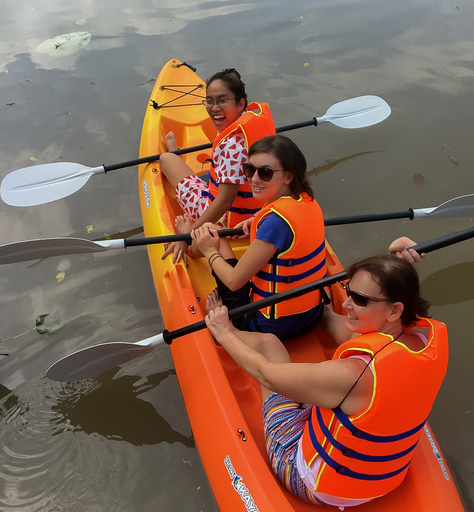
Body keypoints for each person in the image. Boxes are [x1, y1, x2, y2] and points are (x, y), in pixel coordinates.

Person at [204, 254, 448, 506]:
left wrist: (224, 332)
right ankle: (322, 314)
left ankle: (228, 331)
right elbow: (360, 336)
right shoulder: (423, 340)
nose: (348, 304)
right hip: (384, 481)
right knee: (335, 329)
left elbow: (266, 374)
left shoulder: (352, 374)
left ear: (395, 310)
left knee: (270, 344)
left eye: (360, 300)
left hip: (312, 481)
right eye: (348, 291)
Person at [191, 134, 326, 339]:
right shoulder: (307, 200)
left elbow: (234, 282)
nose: (253, 179)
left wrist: (208, 251)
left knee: (212, 232)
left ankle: (225, 319)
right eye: (249, 169)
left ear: (289, 176)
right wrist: (256, 217)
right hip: (311, 314)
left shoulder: (275, 223)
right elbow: (285, 221)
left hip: (270, 327)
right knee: (217, 234)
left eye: (265, 173)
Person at [159, 68, 275, 263]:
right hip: (256, 216)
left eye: (222, 100)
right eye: (210, 101)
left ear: (240, 103)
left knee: (166, 159)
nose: (214, 108)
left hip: (229, 222)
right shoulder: (255, 123)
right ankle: (179, 157)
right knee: (207, 176)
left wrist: (187, 237)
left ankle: (175, 154)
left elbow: (223, 202)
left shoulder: (231, 146)